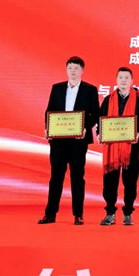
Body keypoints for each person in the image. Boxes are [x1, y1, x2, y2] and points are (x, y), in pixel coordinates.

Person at [39, 56, 100, 225]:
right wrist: (48, 128)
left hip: (78, 141)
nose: (73, 71)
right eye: (70, 68)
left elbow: (95, 113)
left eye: (76, 68)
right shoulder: (57, 88)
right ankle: (50, 214)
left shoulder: (90, 90)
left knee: (77, 177)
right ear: (66, 70)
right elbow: (49, 111)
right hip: (58, 140)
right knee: (56, 177)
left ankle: (78, 214)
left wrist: (85, 126)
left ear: (82, 71)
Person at [99, 67, 139, 226]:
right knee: (110, 181)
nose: (123, 80)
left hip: (131, 147)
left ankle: (128, 212)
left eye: (126, 78)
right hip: (111, 148)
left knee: (130, 181)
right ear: (116, 80)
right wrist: (100, 133)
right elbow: (101, 119)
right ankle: (110, 212)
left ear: (131, 81)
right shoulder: (108, 99)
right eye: (120, 77)